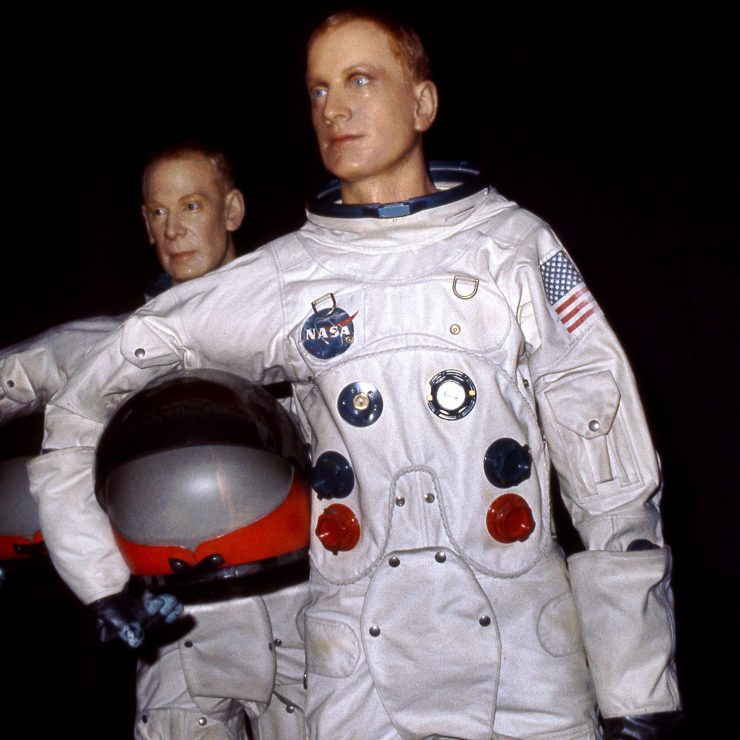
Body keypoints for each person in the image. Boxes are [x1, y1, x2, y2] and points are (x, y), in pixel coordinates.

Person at [29, 11, 681, 740]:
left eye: (360, 81)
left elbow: (611, 473)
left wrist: (638, 692)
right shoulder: (282, 281)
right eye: (318, 90)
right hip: (358, 677)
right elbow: (86, 398)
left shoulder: (516, 250)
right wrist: (102, 579)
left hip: (526, 665)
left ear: (422, 103)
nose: (333, 109)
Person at [2, 143, 308, 739]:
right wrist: (104, 588)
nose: (174, 229)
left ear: (232, 210)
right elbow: (31, 407)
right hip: (175, 628)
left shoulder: (299, 330)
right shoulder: (105, 353)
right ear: (145, 224)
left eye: (192, 205)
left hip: (299, 615)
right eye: (158, 212)